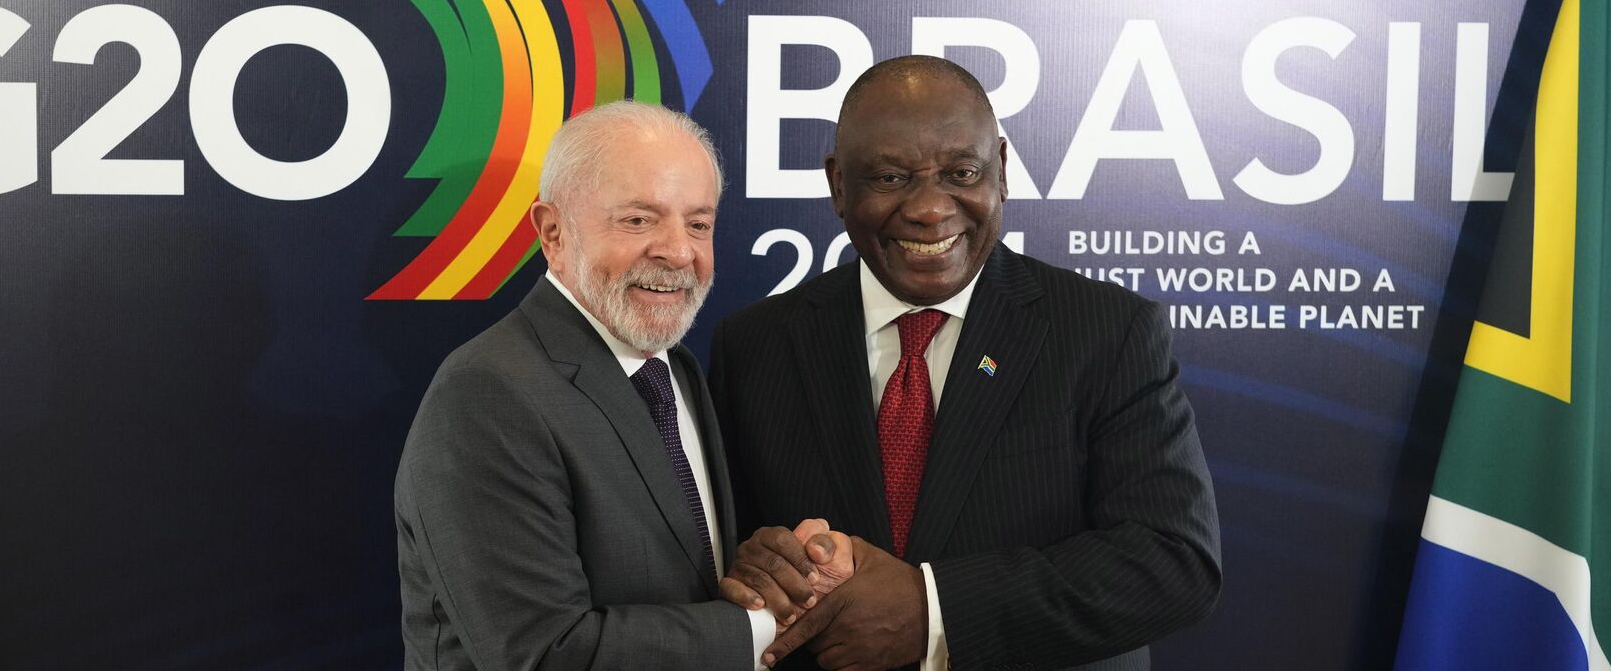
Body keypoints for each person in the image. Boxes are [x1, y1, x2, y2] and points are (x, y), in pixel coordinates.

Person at [710, 56, 1221, 670]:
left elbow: (1174, 561)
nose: (930, 208)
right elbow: (720, 552)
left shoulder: (1108, 332)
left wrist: (933, 611)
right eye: (892, 177)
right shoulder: (755, 344)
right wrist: (759, 561)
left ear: (1000, 171)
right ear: (839, 186)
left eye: (961, 171)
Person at [395, 100, 849, 670]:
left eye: (699, 224)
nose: (679, 251)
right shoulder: (486, 395)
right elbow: (543, 656)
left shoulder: (675, 368)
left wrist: (786, 574)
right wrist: (768, 623)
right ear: (553, 233)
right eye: (638, 220)